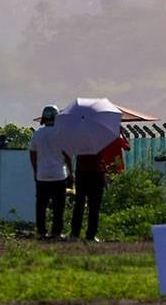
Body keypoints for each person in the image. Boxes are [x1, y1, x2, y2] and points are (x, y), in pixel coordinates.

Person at [29, 104, 72, 240]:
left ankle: (41, 232)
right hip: (59, 175)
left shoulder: (37, 134)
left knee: (41, 206)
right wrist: (71, 172)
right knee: (58, 207)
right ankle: (56, 232)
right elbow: (67, 155)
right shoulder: (62, 133)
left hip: (42, 176)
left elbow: (32, 154)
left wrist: (36, 170)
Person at [70, 151, 106, 242]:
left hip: (83, 172)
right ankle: (90, 234)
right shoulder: (99, 140)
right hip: (96, 172)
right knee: (93, 206)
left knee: (80, 204)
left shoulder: (81, 140)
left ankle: (75, 233)